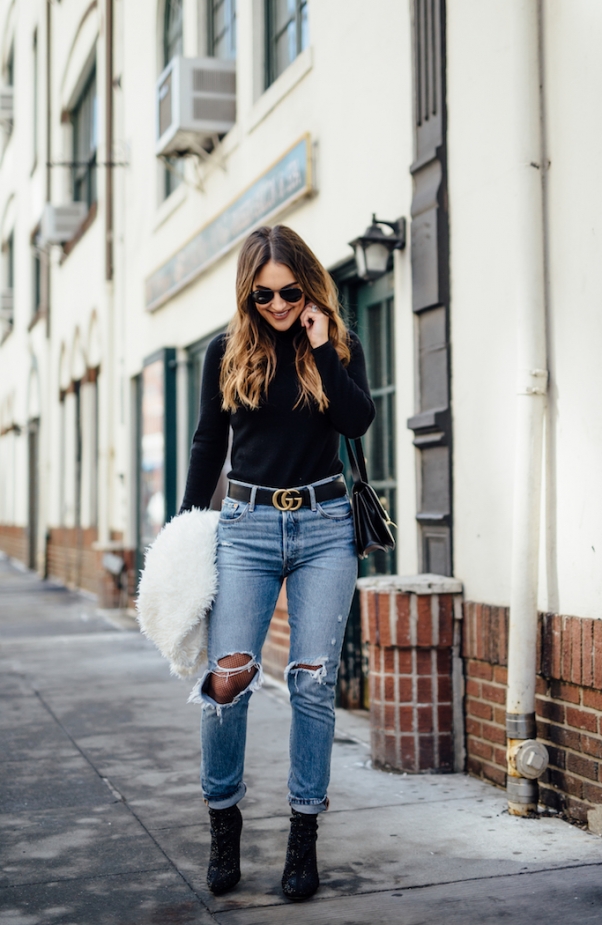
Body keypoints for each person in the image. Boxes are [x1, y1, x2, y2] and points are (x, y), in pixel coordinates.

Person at [180, 224, 375, 901]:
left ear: (309, 283)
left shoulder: (336, 345)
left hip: (324, 525)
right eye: (262, 294)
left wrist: (321, 347)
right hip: (246, 526)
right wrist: (187, 530)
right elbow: (208, 445)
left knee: (313, 684)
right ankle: (223, 819)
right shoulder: (223, 351)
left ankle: (302, 836)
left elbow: (356, 423)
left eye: (289, 291)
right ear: (246, 292)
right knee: (226, 682)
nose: (277, 304)